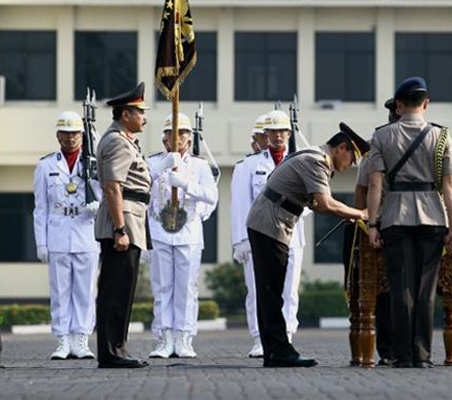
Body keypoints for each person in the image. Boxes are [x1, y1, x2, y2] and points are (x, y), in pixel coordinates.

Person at [247, 123, 369, 368]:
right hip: (270, 223)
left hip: (271, 221)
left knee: (270, 292)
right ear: (341, 148)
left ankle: (274, 351)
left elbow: (313, 202)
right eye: (351, 159)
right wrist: (360, 214)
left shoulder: (313, 156)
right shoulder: (317, 161)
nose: (350, 166)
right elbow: (324, 204)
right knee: (272, 292)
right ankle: (280, 350)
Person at [367, 77, 452, 369]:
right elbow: (449, 188)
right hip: (433, 216)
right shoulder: (442, 136)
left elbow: (374, 184)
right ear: (426, 103)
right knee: (425, 289)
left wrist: (372, 225)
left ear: (398, 105)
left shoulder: (381, 136)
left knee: (400, 288)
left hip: (395, 216)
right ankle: (422, 355)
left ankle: (402, 355)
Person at [231, 110, 307, 358]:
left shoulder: (300, 161)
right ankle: (260, 338)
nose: (278, 136)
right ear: (265, 135)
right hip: (260, 237)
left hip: (291, 234)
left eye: (282, 131)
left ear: (289, 133)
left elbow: (310, 199)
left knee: (289, 290)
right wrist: (240, 240)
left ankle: (287, 336)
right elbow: (240, 203)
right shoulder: (249, 165)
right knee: (258, 289)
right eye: (272, 132)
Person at [147, 113, 218, 358]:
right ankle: (165, 338)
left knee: (187, 288)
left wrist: (186, 184)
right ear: (164, 137)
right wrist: (163, 167)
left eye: (183, 133)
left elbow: (212, 196)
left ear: (190, 138)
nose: (177, 138)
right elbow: (142, 193)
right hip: (160, 232)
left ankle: (184, 337)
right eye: (172, 133)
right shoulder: (153, 162)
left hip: (188, 232)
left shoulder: (199, 165)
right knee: (162, 287)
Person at [94, 82, 154, 368]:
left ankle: (116, 349)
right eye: (140, 112)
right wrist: (120, 229)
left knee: (121, 289)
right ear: (125, 114)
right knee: (115, 291)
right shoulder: (117, 141)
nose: (144, 117)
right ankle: (112, 352)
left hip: (132, 216)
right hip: (124, 219)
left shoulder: (124, 139)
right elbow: (113, 187)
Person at [33, 111, 100, 360]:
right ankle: (62, 340)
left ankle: (81, 339)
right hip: (59, 231)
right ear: (57, 135)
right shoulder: (46, 165)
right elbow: (40, 208)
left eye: (75, 133)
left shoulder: (92, 163)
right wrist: (41, 242)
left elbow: (106, 193)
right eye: (65, 133)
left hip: (86, 231)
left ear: (82, 135)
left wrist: (99, 205)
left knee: (85, 290)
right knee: (60, 290)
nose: (70, 138)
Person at [350, 98, 400, 366]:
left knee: (397, 291)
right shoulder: (374, 151)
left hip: (396, 223)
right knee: (383, 292)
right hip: (381, 225)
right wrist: (362, 223)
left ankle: (401, 348)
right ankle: (391, 348)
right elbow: (361, 189)